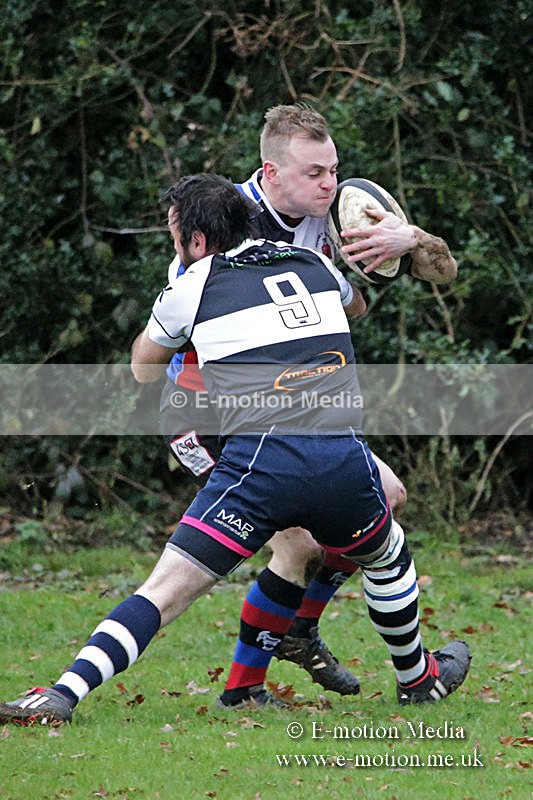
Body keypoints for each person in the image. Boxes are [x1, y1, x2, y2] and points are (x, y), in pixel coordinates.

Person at [0, 174, 469, 725]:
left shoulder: (190, 286)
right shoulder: (316, 265)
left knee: (165, 592)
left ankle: (63, 694)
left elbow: (143, 369)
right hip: (342, 461)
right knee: (387, 553)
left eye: (174, 235)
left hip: (259, 469)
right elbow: (351, 306)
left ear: (196, 241)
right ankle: (417, 679)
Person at [159, 104, 458, 706]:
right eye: (315, 173)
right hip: (207, 410)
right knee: (298, 542)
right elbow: (176, 327)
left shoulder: (339, 209)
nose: (331, 184)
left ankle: (294, 634)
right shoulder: (225, 224)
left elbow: (443, 272)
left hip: (293, 407)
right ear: (271, 173)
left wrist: (408, 240)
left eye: (333, 169)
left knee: (385, 498)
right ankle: (248, 683)